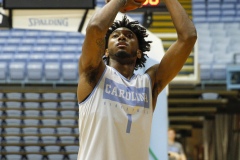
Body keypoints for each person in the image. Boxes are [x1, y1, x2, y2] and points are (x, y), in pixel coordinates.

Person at [77, 0, 197, 159]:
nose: (121, 37)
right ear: (105, 51)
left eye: (129, 36)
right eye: (115, 35)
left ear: (139, 52)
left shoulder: (150, 82)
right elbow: (95, 28)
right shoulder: (93, 73)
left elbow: (188, 37)